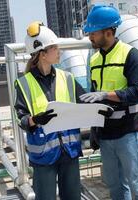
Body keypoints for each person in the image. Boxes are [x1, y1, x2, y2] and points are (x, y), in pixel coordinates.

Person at [80, 5, 138, 200]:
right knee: (116, 189)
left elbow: (137, 92)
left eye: (93, 33)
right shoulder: (94, 60)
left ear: (108, 32)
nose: (90, 37)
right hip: (105, 134)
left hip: (127, 132)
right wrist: (95, 130)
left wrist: (106, 95)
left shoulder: (131, 55)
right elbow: (94, 96)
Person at [14, 21, 85, 200]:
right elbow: (21, 119)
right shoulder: (24, 84)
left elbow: (84, 102)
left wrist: (100, 102)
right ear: (42, 54)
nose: (58, 50)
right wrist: (35, 120)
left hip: (69, 151)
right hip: (44, 155)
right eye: (54, 47)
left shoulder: (67, 78)